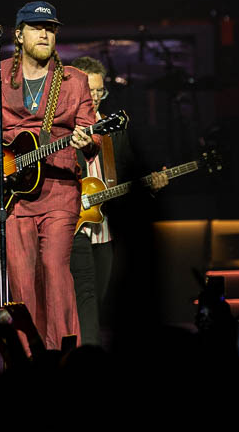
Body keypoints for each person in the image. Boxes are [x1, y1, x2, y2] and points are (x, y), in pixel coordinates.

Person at [0, 1, 100, 353]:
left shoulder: (74, 81)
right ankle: (29, 356)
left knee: (55, 270)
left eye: (50, 28)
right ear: (19, 35)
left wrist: (86, 140)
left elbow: (92, 138)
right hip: (13, 193)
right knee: (21, 279)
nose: (45, 34)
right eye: (36, 28)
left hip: (59, 188)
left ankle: (63, 353)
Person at [68, 56, 168, 346]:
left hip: (105, 227)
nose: (95, 97)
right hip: (73, 226)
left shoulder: (113, 127)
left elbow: (126, 174)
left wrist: (150, 186)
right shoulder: (61, 130)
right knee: (85, 296)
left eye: (100, 91)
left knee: (98, 300)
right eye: (89, 90)